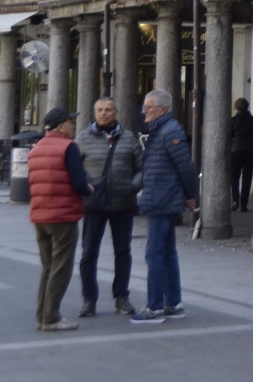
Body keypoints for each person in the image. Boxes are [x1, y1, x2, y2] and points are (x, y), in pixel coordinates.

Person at [130, 89, 197, 325]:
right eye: (144, 107)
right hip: (162, 197)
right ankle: (174, 304)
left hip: (162, 199)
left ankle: (155, 307)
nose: (144, 111)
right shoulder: (162, 130)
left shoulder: (169, 131)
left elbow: (186, 167)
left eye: (148, 107)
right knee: (167, 253)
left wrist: (191, 195)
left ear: (162, 109)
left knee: (155, 253)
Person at [76, 97, 142, 317]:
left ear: (116, 112)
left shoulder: (128, 137)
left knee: (123, 251)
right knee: (88, 253)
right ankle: (89, 299)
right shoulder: (83, 138)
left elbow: (141, 168)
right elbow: (75, 169)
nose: (103, 113)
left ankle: (121, 296)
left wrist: (132, 187)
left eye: (108, 110)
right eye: (100, 110)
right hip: (94, 203)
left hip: (123, 203)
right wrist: (85, 186)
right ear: (94, 113)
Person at [28, 106, 90, 333]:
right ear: (61, 126)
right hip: (63, 215)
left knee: (48, 267)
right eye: (70, 122)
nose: (73, 125)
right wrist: (89, 188)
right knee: (61, 268)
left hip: (40, 216)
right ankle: (52, 316)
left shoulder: (36, 149)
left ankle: (42, 316)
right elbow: (79, 181)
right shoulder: (68, 147)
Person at [227, 99, 253, 213]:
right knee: (247, 177)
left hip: (236, 151)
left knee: (234, 176)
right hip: (250, 151)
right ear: (247, 106)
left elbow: (230, 137)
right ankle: (244, 204)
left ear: (236, 107)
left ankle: (235, 201)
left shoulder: (233, 120)